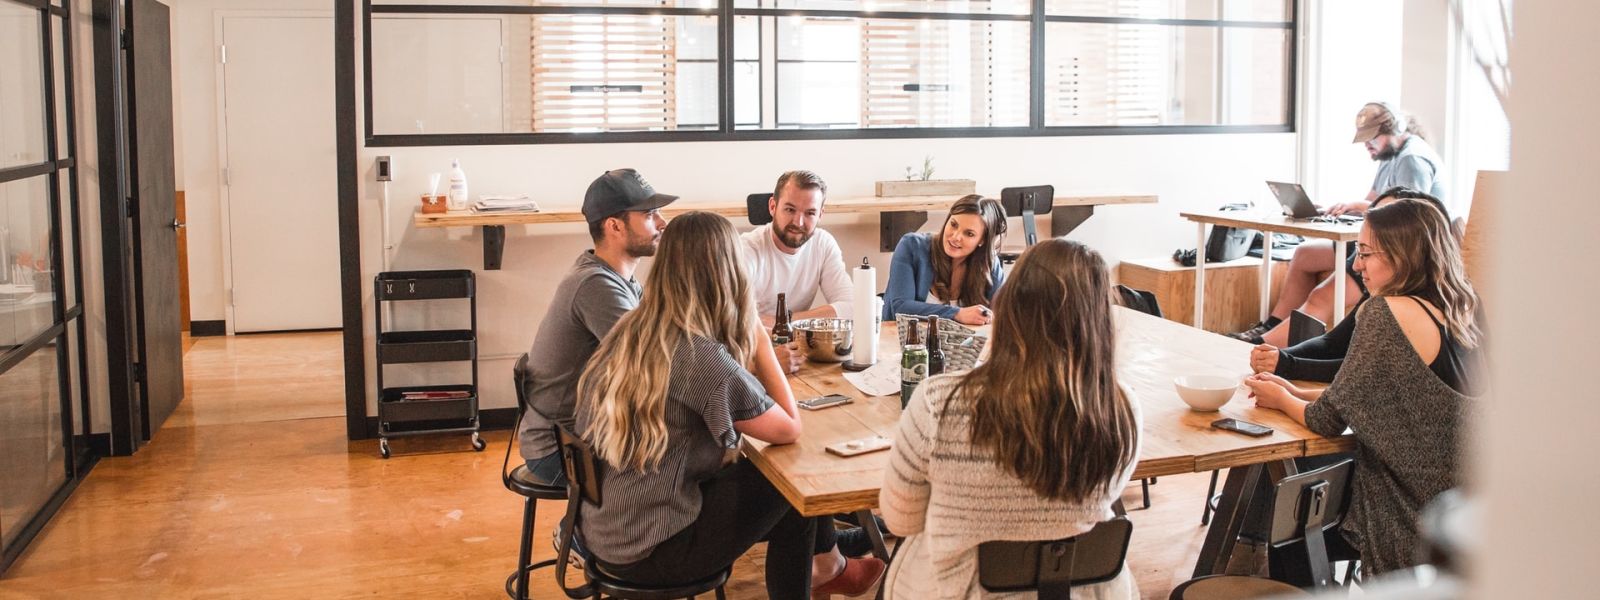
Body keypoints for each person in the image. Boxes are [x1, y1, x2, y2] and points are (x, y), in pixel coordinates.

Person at [572, 211, 886, 600]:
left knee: (780, 489)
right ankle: (827, 570)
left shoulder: (632, 330)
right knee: (790, 483)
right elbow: (789, 426)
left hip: (608, 529)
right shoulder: (699, 357)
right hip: (654, 549)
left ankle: (827, 568)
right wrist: (757, 333)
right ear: (729, 274)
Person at [880, 238, 1142, 600]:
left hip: (963, 590)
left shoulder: (940, 401)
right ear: (1099, 319)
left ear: (1009, 304)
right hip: (1082, 591)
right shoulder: (1121, 406)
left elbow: (899, 519)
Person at [1244, 197, 1484, 576]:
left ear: (1402, 255)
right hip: (1460, 506)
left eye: (1365, 253)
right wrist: (1289, 392)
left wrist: (1278, 397)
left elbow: (1326, 421)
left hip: (1406, 512)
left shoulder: (1386, 312)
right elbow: (1369, 397)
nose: (1357, 265)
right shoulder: (1459, 307)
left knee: (1287, 529)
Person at [1231, 103, 1449, 345]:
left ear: (1394, 129)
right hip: (1380, 241)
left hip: (1398, 252)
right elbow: (1373, 201)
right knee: (1304, 255)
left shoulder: (1412, 159)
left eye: (1372, 139)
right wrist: (1344, 208)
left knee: (1321, 296)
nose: (1367, 145)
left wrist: (1360, 206)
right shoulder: (1390, 156)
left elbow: (1408, 217)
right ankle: (1272, 325)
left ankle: (1264, 347)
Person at [516, 168, 672, 486]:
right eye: (649, 214)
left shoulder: (619, 280)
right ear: (614, 225)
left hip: (581, 438)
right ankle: (581, 534)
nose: (662, 223)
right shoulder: (596, 285)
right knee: (686, 469)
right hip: (562, 452)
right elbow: (655, 363)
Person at [1249, 188, 1456, 381]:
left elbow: (1358, 377)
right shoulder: (1392, 291)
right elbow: (1335, 344)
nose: (1357, 266)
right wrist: (1278, 356)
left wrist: (1286, 365)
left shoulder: (1401, 309)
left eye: (1366, 252)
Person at [741, 170, 855, 373]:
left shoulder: (823, 243)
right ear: (773, 206)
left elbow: (851, 308)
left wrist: (783, 323)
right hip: (752, 357)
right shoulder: (747, 250)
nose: (798, 222)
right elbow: (734, 321)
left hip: (798, 357)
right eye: (790, 210)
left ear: (820, 214)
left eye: (810, 213)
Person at [882, 195, 1007, 326]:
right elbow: (901, 308)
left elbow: (1002, 314)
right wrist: (957, 313)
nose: (956, 237)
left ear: (983, 240)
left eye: (969, 234)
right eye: (953, 225)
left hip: (963, 345)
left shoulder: (989, 263)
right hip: (899, 343)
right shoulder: (912, 246)